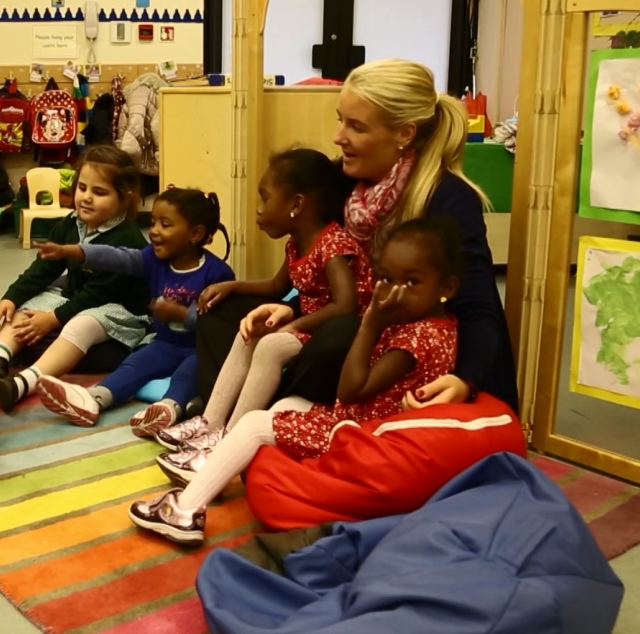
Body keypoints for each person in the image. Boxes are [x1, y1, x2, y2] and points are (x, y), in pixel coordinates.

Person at [193, 58, 517, 414]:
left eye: (357, 127)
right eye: (340, 120)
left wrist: (465, 378)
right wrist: (289, 306)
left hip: (392, 344)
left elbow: (478, 306)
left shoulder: (447, 197)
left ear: (404, 134)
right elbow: (332, 277)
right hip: (344, 319)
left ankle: (273, 415)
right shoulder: (346, 184)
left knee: (338, 333)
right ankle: (217, 420)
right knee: (221, 310)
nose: (338, 137)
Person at [131, 217, 463, 545]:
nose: (394, 294)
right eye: (387, 279)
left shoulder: (417, 337)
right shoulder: (433, 325)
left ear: (446, 288)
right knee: (287, 405)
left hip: (363, 434)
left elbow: (350, 390)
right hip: (359, 419)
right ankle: (217, 458)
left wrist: (370, 325)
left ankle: (187, 509)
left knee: (254, 424)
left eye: (412, 283)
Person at [154, 149, 359, 453]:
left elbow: (346, 306)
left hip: (325, 330)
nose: (259, 210)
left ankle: (232, 438)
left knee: (270, 345)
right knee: (248, 331)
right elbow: (278, 287)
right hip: (304, 326)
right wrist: (233, 286)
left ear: (297, 204)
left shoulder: (332, 243)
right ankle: (210, 423)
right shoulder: (296, 244)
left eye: (265, 198)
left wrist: (294, 325)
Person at [0, 145, 152, 411]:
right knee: (30, 305)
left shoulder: (125, 240)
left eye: (99, 192)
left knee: (84, 323)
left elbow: (97, 295)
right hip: (76, 294)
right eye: (82, 188)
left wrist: (52, 320)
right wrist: (12, 296)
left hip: (118, 309)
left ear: (124, 199)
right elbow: (43, 268)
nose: (86, 197)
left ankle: (26, 381)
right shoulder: (71, 223)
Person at [33, 188, 234, 436]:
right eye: (153, 223)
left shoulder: (218, 275)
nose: (155, 231)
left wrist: (182, 315)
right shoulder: (153, 258)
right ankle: (93, 399)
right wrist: (73, 251)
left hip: (200, 350)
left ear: (195, 233)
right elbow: (116, 257)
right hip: (164, 344)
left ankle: (169, 408)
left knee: (187, 374)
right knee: (134, 365)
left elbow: (221, 326)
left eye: (166, 224)